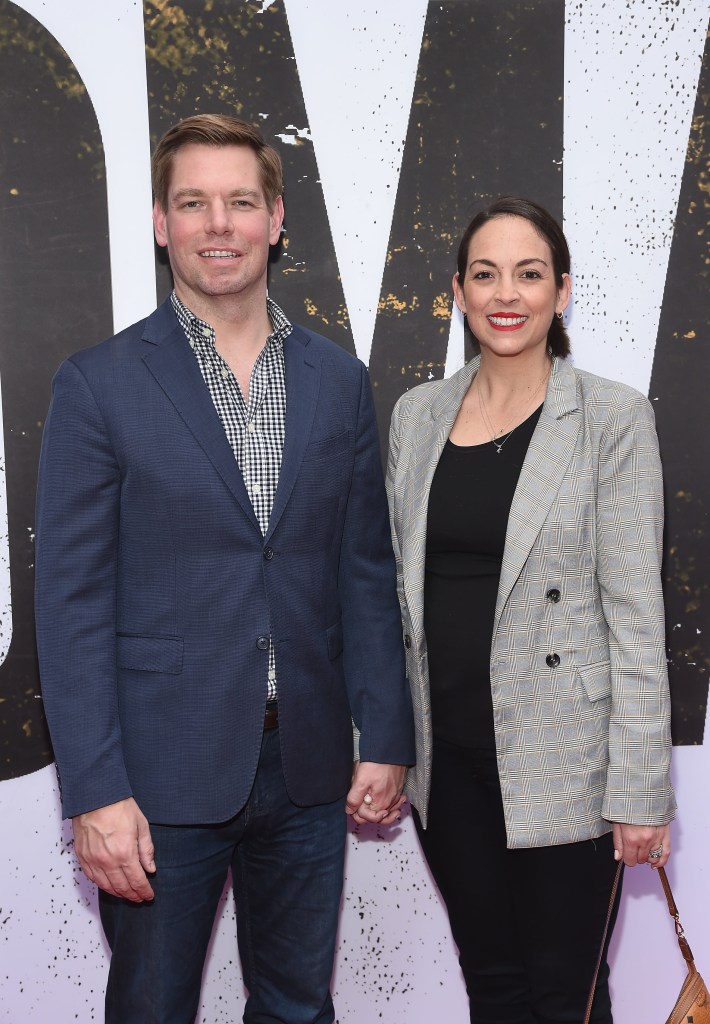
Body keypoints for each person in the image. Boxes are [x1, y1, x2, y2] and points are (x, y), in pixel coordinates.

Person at [35, 113, 414, 1024]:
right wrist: (95, 791)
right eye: (194, 202)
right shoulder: (99, 384)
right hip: (159, 776)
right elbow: (72, 604)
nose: (219, 224)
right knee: (152, 1009)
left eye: (241, 202)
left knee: (295, 1008)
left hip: (310, 765)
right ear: (161, 222)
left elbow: (363, 571)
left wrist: (388, 733)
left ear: (276, 219)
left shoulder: (337, 379)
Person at [386, 196, 675, 1023]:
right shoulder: (418, 417)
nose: (505, 293)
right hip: (449, 766)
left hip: (569, 767)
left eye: (528, 272)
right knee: (494, 987)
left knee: (565, 999)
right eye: (485, 274)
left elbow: (635, 616)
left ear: (562, 290)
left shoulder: (610, 417)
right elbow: (394, 599)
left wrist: (640, 790)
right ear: (458, 292)